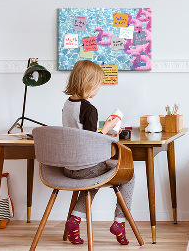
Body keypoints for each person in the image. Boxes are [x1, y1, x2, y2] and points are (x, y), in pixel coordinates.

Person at [62, 60, 135, 245]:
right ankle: (120, 222)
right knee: (128, 174)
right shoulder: (89, 109)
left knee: (93, 179)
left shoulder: (67, 105)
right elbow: (91, 141)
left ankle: (75, 220)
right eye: (98, 84)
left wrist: (105, 130)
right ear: (89, 84)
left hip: (68, 167)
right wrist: (108, 128)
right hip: (85, 167)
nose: (98, 88)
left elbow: (80, 134)